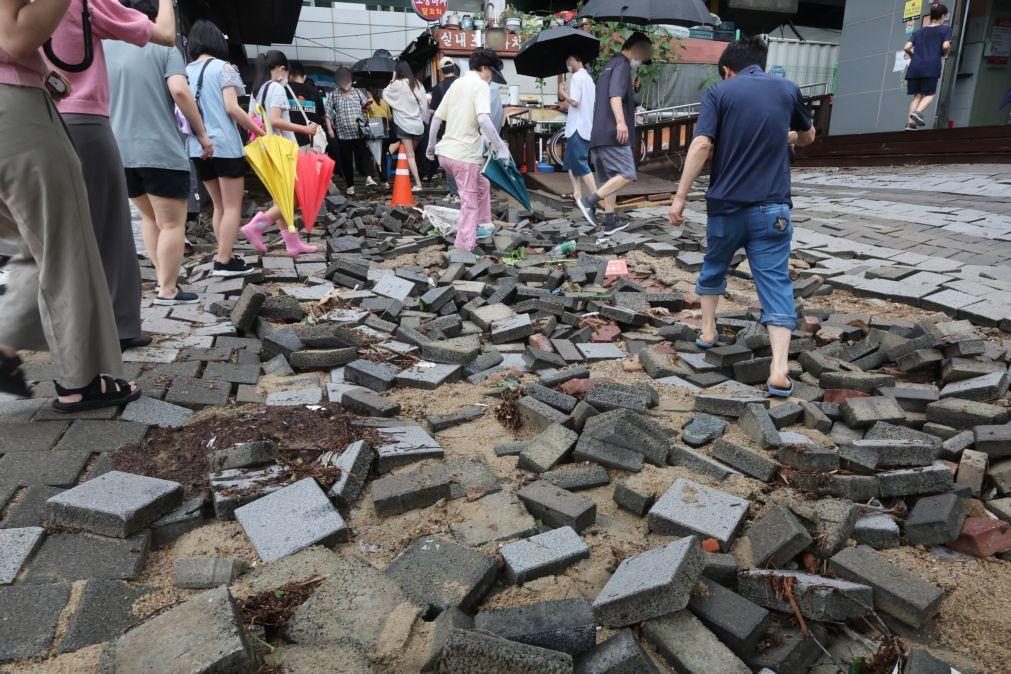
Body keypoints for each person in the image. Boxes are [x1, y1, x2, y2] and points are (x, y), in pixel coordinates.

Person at [0, 0, 141, 411]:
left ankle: (7, 344)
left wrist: (47, 73)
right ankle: (81, 381)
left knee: (27, 244)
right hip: (15, 110)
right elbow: (15, 36)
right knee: (65, 247)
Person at [668, 36, 815, 398]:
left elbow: (702, 144)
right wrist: (789, 135)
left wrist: (680, 196)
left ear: (726, 69)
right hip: (773, 209)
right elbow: (809, 136)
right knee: (776, 282)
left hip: (726, 207)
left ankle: (707, 332)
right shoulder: (787, 89)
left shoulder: (719, 93)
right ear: (761, 64)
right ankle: (779, 367)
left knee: (714, 265)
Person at [45, 0, 176, 351]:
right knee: (110, 230)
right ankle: (120, 327)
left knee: (52, 232)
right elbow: (164, 34)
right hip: (84, 119)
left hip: (33, 119)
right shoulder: (83, 3)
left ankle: (62, 328)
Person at [106, 1, 212, 306]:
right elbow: (180, 90)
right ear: (155, 18)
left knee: (149, 218)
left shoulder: (106, 47)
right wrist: (202, 134)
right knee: (171, 223)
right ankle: (167, 288)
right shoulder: (163, 46)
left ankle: (164, 279)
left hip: (120, 151)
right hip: (160, 150)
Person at [185, 20, 263, 277]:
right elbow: (232, 107)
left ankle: (224, 252)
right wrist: (259, 131)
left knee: (218, 205)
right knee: (232, 206)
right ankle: (224, 261)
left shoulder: (186, 71)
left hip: (198, 147)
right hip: (225, 146)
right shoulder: (223, 68)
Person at [426, 48, 512, 251]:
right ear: (484, 68)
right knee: (469, 202)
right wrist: (501, 147)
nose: (491, 78)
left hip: (445, 154)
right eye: (491, 73)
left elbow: (437, 118)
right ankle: (464, 248)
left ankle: (483, 225)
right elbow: (483, 119)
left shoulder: (457, 84)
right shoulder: (480, 86)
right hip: (464, 157)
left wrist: (431, 148)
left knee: (483, 184)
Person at [240, 50, 320, 257]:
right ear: (283, 69)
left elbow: (251, 118)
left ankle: (292, 243)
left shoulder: (258, 90)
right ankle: (256, 226)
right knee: (292, 197)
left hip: (266, 150)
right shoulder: (276, 87)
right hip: (281, 149)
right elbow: (275, 120)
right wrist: (305, 129)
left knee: (280, 198)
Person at [576, 32, 653, 236]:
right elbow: (615, 96)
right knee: (627, 173)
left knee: (612, 178)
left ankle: (610, 221)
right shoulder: (622, 65)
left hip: (599, 133)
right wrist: (620, 122)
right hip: (613, 133)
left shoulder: (609, 66)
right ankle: (588, 201)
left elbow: (615, 94)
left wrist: (632, 89)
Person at [327, 66, 379, 196]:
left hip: (359, 131)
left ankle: (369, 177)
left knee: (364, 155)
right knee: (346, 161)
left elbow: (365, 108)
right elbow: (327, 113)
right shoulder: (333, 95)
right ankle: (350, 185)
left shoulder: (357, 92)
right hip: (343, 134)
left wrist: (366, 106)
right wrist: (329, 129)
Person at [903, 2, 951, 130]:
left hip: (915, 67)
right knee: (930, 94)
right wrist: (944, 53)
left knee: (917, 96)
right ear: (943, 16)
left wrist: (913, 57)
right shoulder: (944, 29)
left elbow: (906, 47)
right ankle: (917, 113)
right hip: (931, 66)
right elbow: (946, 46)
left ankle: (910, 124)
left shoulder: (919, 31)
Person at [557, 52, 597, 204]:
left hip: (577, 128)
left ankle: (595, 196)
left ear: (573, 60)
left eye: (568, 62)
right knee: (571, 162)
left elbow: (574, 101)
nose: (568, 66)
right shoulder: (589, 80)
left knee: (579, 163)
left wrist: (563, 93)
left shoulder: (577, 77)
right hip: (584, 125)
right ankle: (577, 193)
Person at [383, 60, 427, 192]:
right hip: (418, 126)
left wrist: (392, 79)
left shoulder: (397, 84)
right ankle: (402, 180)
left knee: (410, 156)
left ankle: (418, 184)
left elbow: (385, 94)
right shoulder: (418, 84)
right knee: (410, 155)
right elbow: (424, 106)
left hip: (404, 124)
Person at [364, 87, 392, 182]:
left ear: (369, 92)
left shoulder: (368, 103)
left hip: (374, 133)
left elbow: (365, 117)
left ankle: (372, 176)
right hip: (384, 132)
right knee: (382, 156)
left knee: (371, 155)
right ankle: (385, 181)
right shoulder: (384, 102)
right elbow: (389, 117)